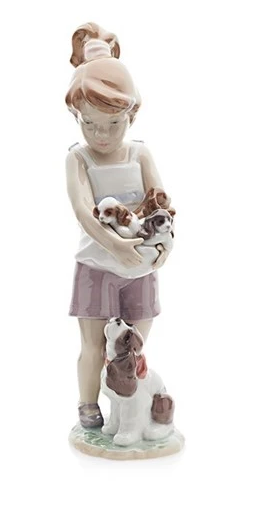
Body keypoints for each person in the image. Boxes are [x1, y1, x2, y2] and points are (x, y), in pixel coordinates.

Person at [65, 22, 171, 428]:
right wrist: (115, 246)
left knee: (133, 346)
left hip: (139, 267)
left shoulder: (140, 155)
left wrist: (162, 246)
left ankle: (129, 409)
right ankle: (87, 403)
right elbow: (82, 210)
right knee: (93, 345)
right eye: (89, 123)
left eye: (113, 123)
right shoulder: (78, 159)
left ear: (132, 114)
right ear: (76, 115)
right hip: (96, 267)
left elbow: (161, 203)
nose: (101, 135)